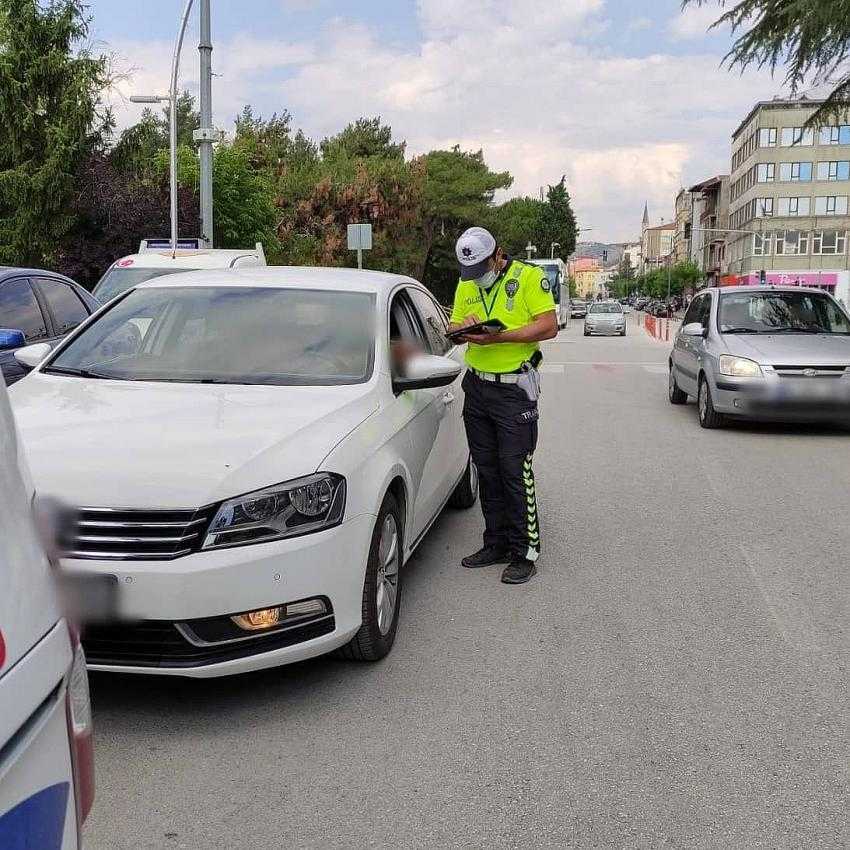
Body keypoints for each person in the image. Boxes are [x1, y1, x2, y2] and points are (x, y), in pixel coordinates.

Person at [448, 227, 558, 584]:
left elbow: (548, 326)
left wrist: (500, 336)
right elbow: (453, 323)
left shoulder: (528, 277)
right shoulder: (468, 282)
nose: (476, 278)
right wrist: (462, 330)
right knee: (487, 469)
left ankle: (524, 550)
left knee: (515, 470)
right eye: (470, 273)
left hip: (514, 390)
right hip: (477, 387)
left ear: (497, 255)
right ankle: (494, 542)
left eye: (482, 269)